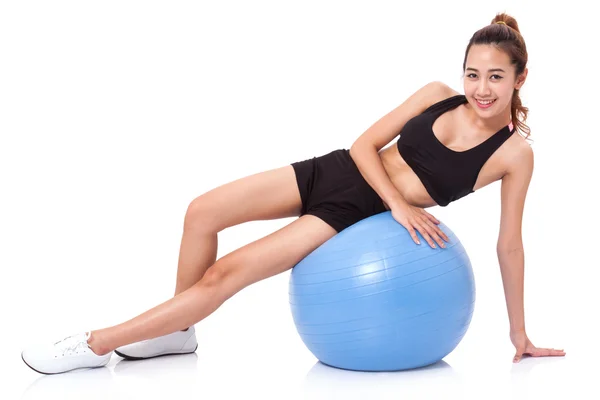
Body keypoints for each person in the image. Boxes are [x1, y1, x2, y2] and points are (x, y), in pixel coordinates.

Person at [21, 12, 565, 375]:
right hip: (334, 170)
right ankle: (176, 332)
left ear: (519, 79)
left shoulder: (515, 154)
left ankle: (94, 343)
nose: (481, 89)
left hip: (356, 211)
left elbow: (509, 245)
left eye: (496, 77)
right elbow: (362, 144)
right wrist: (402, 202)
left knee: (224, 274)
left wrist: (519, 333)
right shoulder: (436, 95)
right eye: (473, 74)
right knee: (201, 211)